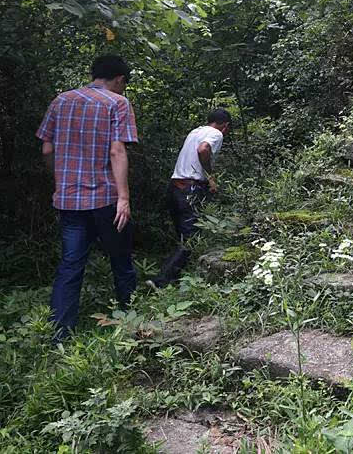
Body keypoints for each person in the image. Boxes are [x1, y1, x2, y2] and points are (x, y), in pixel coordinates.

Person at [36, 54, 139, 342]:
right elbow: (117, 151)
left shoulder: (61, 101)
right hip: (106, 198)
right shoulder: (117, 103)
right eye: (124, 84)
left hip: (68, 200)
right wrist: (124, 198)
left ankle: (60, 335)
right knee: (121, 260)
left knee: (70, 265)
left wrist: (61, 180)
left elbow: (47, 149)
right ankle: (131, 323)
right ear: (119, 80)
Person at [147, 108, 231, 289]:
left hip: (175, 187)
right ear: (225, 126)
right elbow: (203, 149)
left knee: (184, 237)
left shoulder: (196, 131)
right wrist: (211, 176)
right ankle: (161, 281)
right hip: (190, 188)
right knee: (192, 239)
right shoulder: (216, 133)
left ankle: (177, 278)